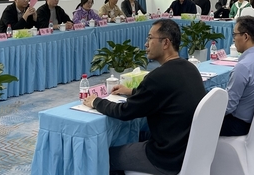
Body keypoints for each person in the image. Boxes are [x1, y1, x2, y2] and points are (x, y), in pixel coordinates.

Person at [83, 19, 206, 175]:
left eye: (150, 38)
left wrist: (96, 102)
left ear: (165, 43)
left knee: (104, 156)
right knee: (140, 134)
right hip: (187, 149)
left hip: (165, 158)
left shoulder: (158, 77)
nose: (146, 44)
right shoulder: (190, 68)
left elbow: (125, 111)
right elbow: (162, 93)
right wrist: (132, 91)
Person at [221, 16, 254, 136]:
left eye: (235, 35)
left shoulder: (243, 67)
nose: (233, 39)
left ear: (245, 37)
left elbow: (228, 106)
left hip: (239, 124)